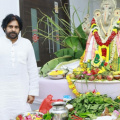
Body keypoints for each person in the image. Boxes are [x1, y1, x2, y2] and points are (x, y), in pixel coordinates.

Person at [0, 14, 39, 119]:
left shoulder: (26, 44)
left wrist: (33, 92)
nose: (13, 29)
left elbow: (32, 69)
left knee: (23, 116)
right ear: (4, 28)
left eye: (16, 27)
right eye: (10, 26)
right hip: (3, 93)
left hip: (22, 92)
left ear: (19, 29)